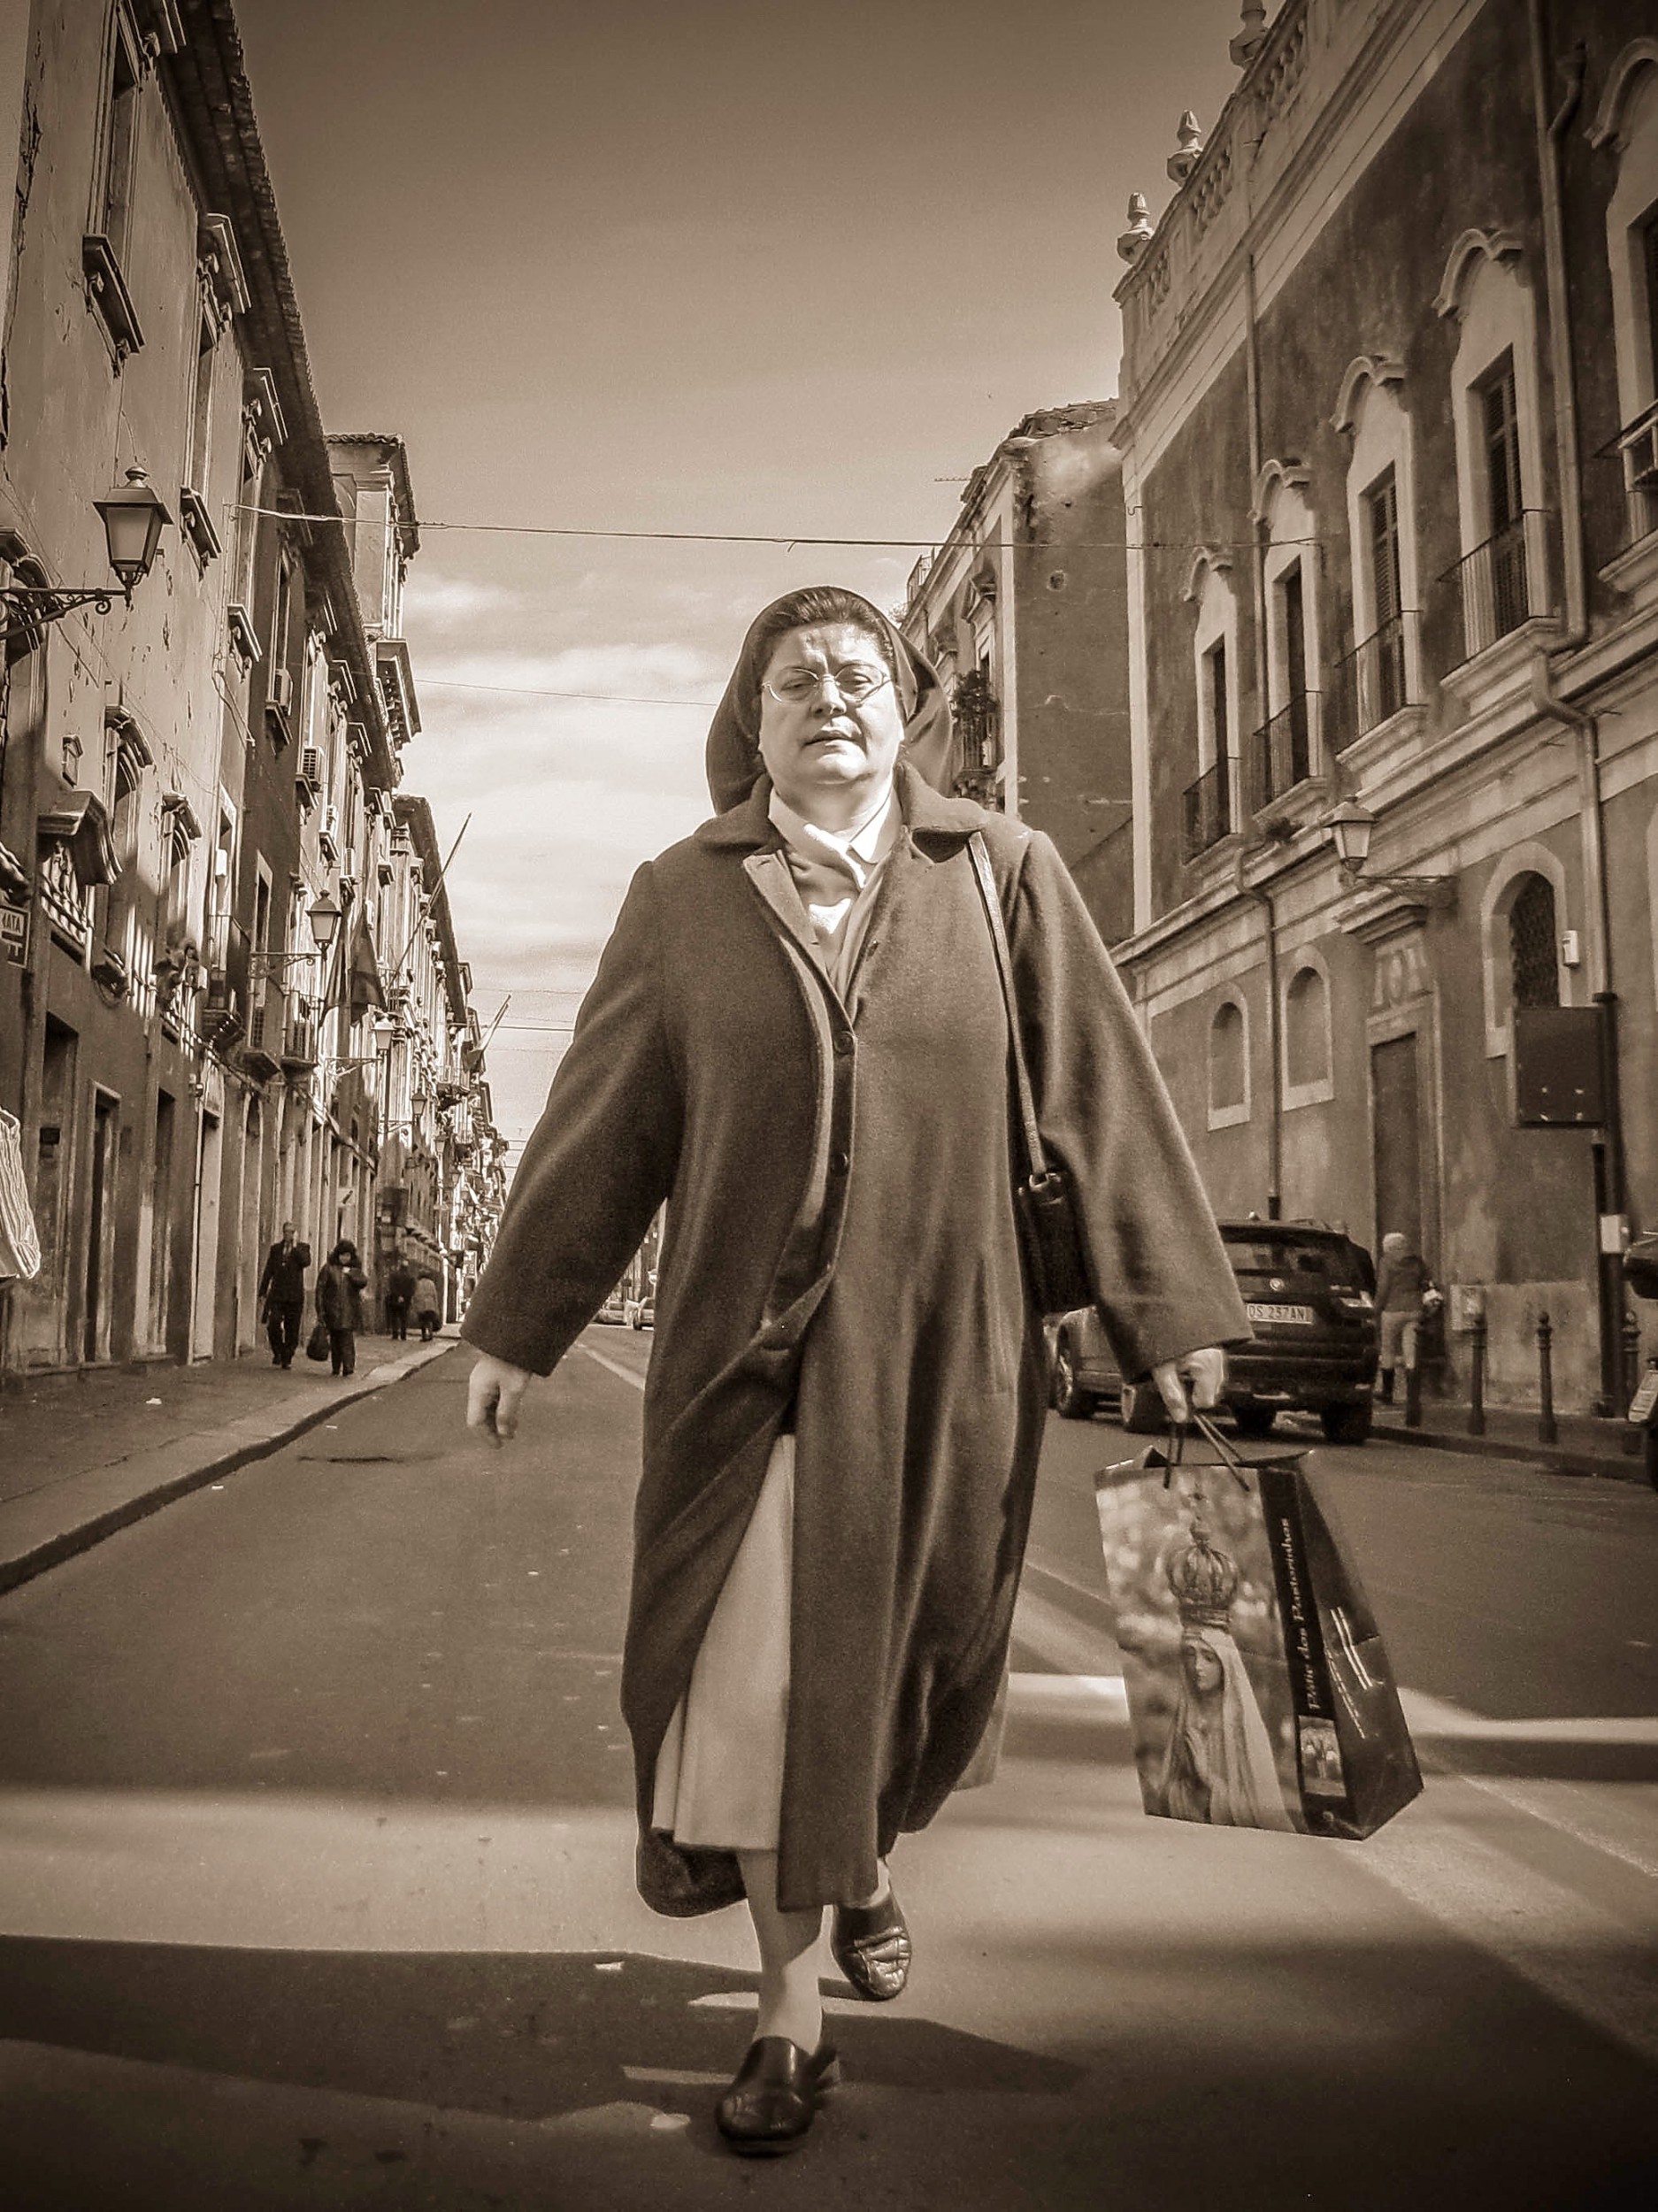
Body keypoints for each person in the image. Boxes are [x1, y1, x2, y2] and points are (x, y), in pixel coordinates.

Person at [462, 585, 1247, 2157]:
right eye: (792, 678)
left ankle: (865, 1857)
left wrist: (1167, 1313)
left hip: (944, 1359)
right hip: (740, 1368)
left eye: (857, 673)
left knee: (912, 1669)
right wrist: (513, 1321)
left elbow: (1095, 1091)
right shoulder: (681, 897)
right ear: (746, 725)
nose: (829, 694)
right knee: (753, 1685)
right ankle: (787, 2017)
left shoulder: (1000, 872)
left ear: (907, 711)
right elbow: (606, 1118)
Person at [1374, 1230, 1432, 1403]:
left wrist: (1376, 1308)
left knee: (1388, 1350)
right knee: (1411, 1352)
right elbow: (1426, 1281)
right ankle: (1412, 1395)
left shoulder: (1386, 1262)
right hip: (1414, 1309)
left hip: (1392, 1310)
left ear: (1389, 1247)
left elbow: (1383, 1288)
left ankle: (1387, 1393)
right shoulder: (1417, 1261)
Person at [257, 1222, 311, 1369]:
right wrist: (262, 1291)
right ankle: (278, 1351)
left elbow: (306, 1262)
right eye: (286, 1232)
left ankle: (287, 1357)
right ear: (283, 1233)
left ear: (295, 1234)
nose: (289, 1235)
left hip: (295, 1297)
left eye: (292, 1232)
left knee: (292, 1329)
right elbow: (269, 1270)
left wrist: (295, 1247)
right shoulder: (276, 1249)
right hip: (277, 1295)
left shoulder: (302, 1248)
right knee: (273, 1324)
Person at [316, 1240, 368, 1377]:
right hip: (332, 1310)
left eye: (347, 1255)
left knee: (347, 1340)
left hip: (349, 1311)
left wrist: (351, 1273)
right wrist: (320, 1310)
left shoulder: (353, 1270)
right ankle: (336, 1367)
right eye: (342, 1255)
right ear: (337, 1255)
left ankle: (348, 1366)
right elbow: (320, 1289)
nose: (345, 1258)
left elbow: (363, 1282)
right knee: (335, 1340)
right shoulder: (329, 1269)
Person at [385, 1252, 416, 1341]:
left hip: (395, 1299)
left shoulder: (394, 1275)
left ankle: (395, 1334)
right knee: (404, 1318)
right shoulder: (410, 1277)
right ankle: (403, 1334)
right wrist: (405, 1297)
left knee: (394, 1317)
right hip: (406, 1300)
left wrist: (398, 1296)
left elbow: (392, 1287)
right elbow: (412, 1289)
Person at [412, 1271, 441, 1342]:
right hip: (430, 1304)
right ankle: (431, 1334)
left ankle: (424, 1335)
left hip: (421, 1304)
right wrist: (436, 1305)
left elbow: (416, 1294)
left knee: (422, 1321)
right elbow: (435, 1295)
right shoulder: (431, 1283)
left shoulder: (418, 1283)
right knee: (429, 1320)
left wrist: (415, 1304)